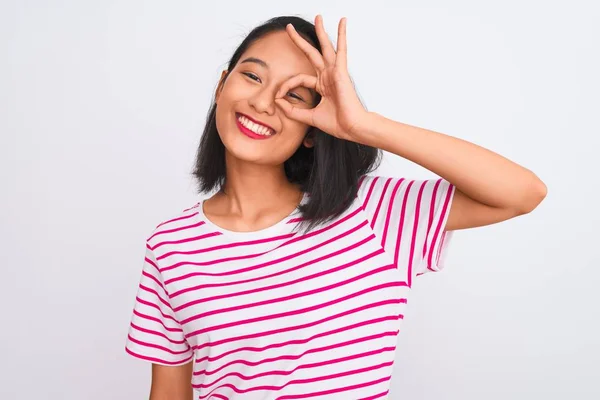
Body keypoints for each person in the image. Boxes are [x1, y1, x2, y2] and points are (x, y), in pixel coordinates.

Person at [124, 14, 547, 400]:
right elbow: (168, 394)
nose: (263, 103)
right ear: (221, 87)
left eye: (296, 95)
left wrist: (363, 126)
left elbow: (522, 192)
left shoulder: (371, 213)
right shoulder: (171, 246)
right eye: (252, 76)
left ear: (313, 128)